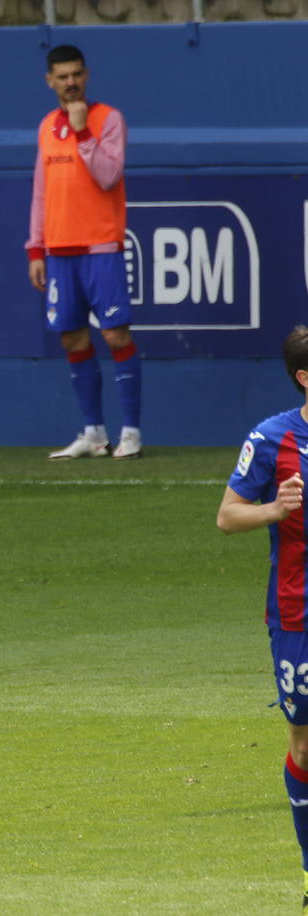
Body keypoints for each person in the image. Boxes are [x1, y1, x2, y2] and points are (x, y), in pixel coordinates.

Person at [216, 325, 308, 910]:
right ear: (305, 377)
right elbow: (228, 516)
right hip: (299, 613)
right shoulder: (274, 439)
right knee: (304, 745)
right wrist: (275, 508)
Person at [26, 44, 143, 461]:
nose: (71, 82)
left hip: (100, 246)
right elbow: (41, 192)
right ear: (50, 81)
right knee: (73, 338)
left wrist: (82, 133)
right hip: (59, 251)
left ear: (86, 75)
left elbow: (109, 176)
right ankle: (94, 433)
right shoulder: (46, 126)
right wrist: (35, 248)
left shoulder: (107, 119)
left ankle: (131, 432)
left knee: (115, 335)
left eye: (76, 74)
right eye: (62, 76)